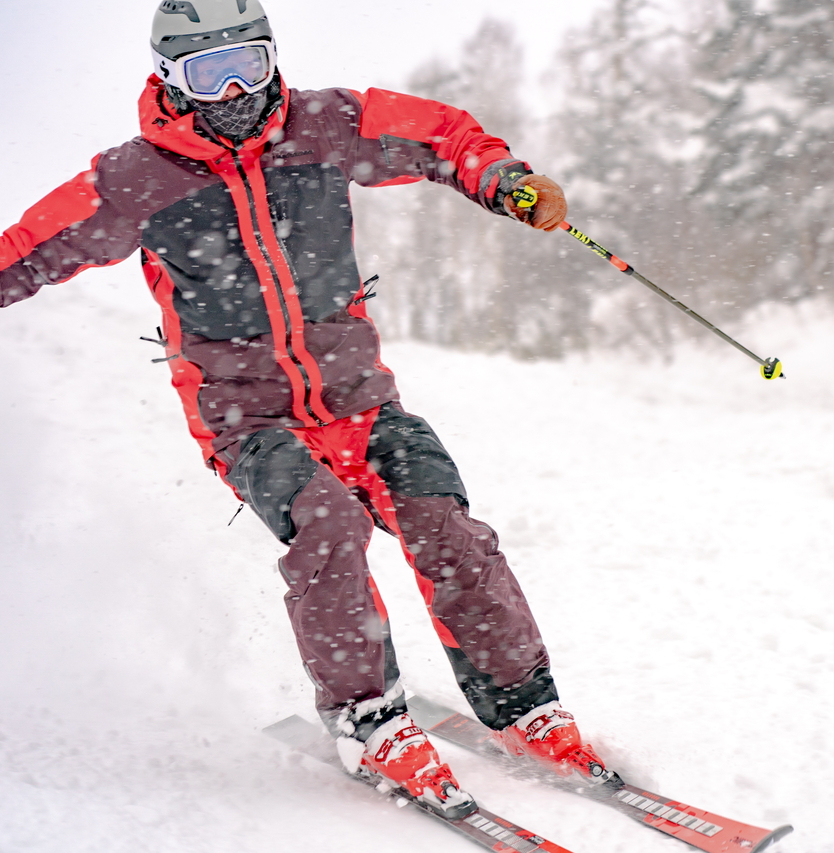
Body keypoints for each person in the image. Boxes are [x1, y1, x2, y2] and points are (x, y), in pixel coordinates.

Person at [0, 0, 615, 820]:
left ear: (272, 56)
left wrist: (502, 179)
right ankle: (370, 722)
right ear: (169, 81)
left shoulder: (326, 126)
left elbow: (443, 138)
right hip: (246, 419)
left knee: (443, 520)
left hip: (360, 399)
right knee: (328, 525)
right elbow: (27, 250)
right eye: (206, 74)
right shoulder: (133, 180)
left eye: (246, 66)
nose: (233, 93)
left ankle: (523, 703)